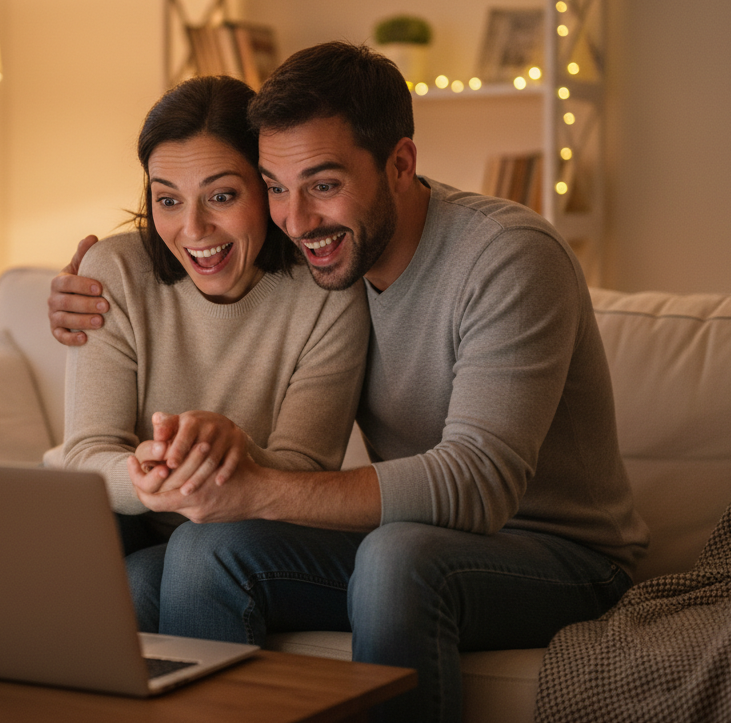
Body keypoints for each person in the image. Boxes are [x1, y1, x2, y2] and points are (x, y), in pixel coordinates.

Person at [48, 42, 649, 723]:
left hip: (559, 554)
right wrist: (81, 291)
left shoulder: (507, 258)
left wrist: (256, 484)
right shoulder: (334, 263)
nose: (296, 220)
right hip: (421, 532)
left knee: (398, 558)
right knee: (192, 556)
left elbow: (479, 486)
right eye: (275, 186)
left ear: (400, 164)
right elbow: (215, 286)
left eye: (323, 184)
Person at [48, 74, 370, 631]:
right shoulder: (116, 273)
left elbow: (307, 471)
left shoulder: (328, 293)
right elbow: (86, 456)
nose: (193, 229)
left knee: (156, 578)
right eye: (167, 199)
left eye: (222, 196)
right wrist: (147, 472)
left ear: (267, 191)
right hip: (137, 525)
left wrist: (233, 451)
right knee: (77, 534)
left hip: (250, 537)